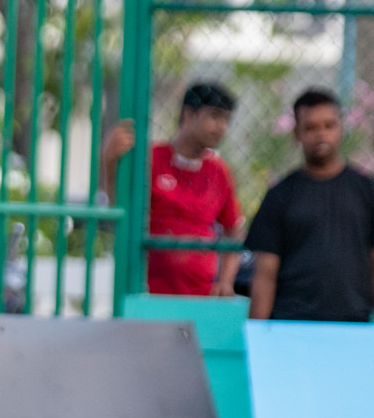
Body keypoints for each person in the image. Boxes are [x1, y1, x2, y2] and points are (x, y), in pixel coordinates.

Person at [100, 82, 245, 296]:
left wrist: (225, 281)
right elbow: (118, 206)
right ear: (188, 113)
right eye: (215, 116)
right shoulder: (151, 158)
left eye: (227, 120)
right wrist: (108, 161)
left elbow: (234, 228)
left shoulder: (219, 171)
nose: (222, 127)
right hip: (146, 290)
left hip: (200, 295)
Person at [246, 88, 374, 323]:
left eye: (328, 125)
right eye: (311, 127)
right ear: (297, 133)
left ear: (341, 128)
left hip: (353, 326)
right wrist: (257, 334)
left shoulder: (366, 191)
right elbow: (264, 276)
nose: (321, 135)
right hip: (291, 324)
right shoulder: (280, 195)